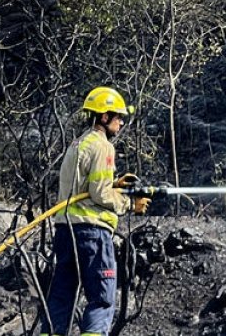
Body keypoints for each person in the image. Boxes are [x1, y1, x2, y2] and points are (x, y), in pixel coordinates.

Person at [40, 86, 151, 336]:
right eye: (118, 117)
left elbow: (86, 187)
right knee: (101, 299)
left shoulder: (78, 144)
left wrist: (115, 185)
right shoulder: (103, 146)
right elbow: (99, 194)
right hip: (92, 233)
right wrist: (129, 204)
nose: (121, 122)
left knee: (61, 298)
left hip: (66, 231)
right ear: (103, 116)